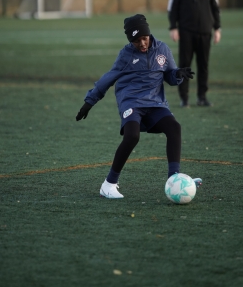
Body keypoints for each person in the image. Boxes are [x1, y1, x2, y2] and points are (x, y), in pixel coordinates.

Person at [76, 14, 202, 199]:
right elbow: (107, 79)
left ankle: (174, 179)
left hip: (155, 103)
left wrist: (178, 73)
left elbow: (170, 76)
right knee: (132, 136)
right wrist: (89, 103)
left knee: (174, 128)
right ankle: (108, 184)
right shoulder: (125, 55)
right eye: (136, 41)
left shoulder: (163, 49)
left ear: (149, 34)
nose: (142, 43)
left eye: (144, 38)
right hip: (131, 101)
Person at [168, 0, 221, 107]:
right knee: (185, 65)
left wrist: (217, 28)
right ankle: (184, 98)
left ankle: (202, 97)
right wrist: (173, 27)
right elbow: (173, 6)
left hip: (205, 31)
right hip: (186, 31)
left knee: (203, 65)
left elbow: (215, 7)